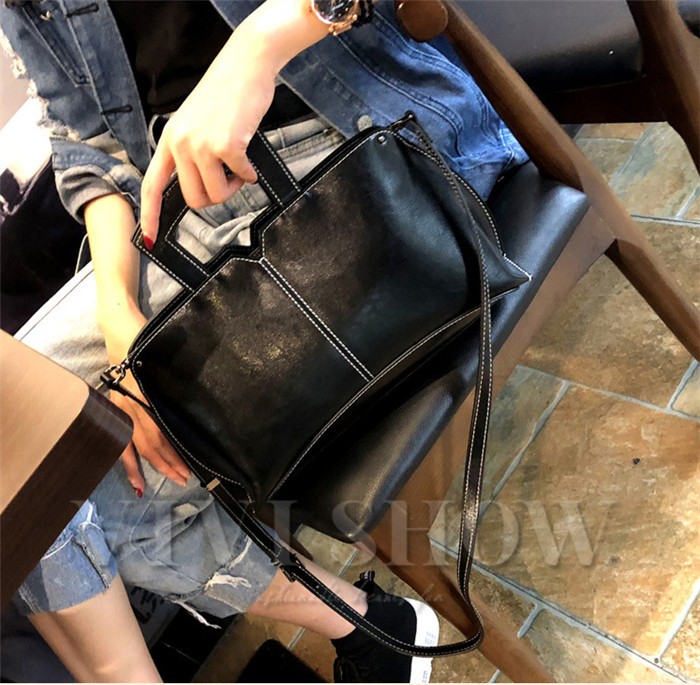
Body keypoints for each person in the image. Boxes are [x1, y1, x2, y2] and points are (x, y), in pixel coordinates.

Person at [1, 0, 528, 682]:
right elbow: (88, 144)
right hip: (180, 215)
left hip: (352, 140)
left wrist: (261, 44)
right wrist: (117, 317)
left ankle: (372, 630)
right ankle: (372, 631)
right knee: (36, 462)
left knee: (77, 481)